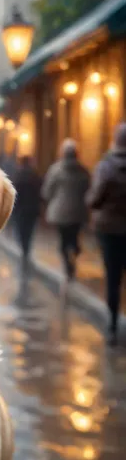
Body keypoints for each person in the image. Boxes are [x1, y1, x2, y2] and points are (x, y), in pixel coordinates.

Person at [87, 123, 126, 346]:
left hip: (110, 231)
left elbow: (95, 199)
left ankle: (112, 326)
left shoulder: (106, 166)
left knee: (113, 279)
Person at [42, 138, 90, 286]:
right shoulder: (83, 171)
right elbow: (89, 189)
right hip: (78, 212)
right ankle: (75, 251)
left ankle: (68, 267)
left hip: (60, 213)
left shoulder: (55, 170)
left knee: (63, 240)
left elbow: (47, 191)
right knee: (74, 237)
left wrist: (49, 199)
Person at [11, 155, 42, 273]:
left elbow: (14, 193)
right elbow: (41, 190)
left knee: (21, 231)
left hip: (20, 209)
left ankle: (24, 250)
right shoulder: (35, 175)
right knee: (29, 230)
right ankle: (26, 249)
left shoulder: (18, 175)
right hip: (33, 208)